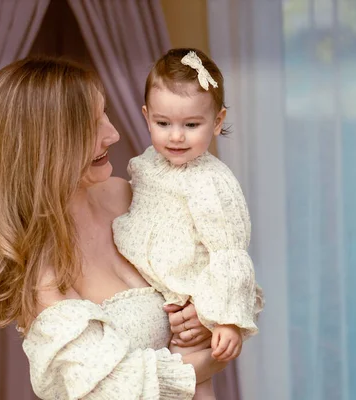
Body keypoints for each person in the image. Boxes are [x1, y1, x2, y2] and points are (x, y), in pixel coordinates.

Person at [0, 56, 231, 399]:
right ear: (45, 144)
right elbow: (112, 388)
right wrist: (212, 359)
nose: (113, 134)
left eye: (104, 114)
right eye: (91, 124)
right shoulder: (43, 271)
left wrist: (206, 314)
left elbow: (218, 264)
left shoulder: (133, 194)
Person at [113, 48, 265, 400]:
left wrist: (225, 318)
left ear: (217, 120)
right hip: (155, 294)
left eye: (191, 125)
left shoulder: (212, 184)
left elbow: (229, 254)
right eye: (163, 123)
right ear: (146, 116)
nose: (176, 137)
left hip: (192, 300)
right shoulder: (147, 164)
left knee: (191, 382)